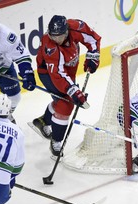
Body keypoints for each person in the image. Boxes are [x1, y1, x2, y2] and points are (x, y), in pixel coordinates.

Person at [30, 15, 101, 156]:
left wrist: (93, 56)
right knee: (66, 103)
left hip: (69, 68)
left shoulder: (76, 27)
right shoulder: (50, 47)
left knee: (65, 99)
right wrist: (73, 91)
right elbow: (57, 74)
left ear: (67, 31)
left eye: (60, 36)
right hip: (49, 74)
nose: (56, 39)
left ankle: (43, 120)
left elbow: (93, 39)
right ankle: (56, 141)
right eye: (53, 36)